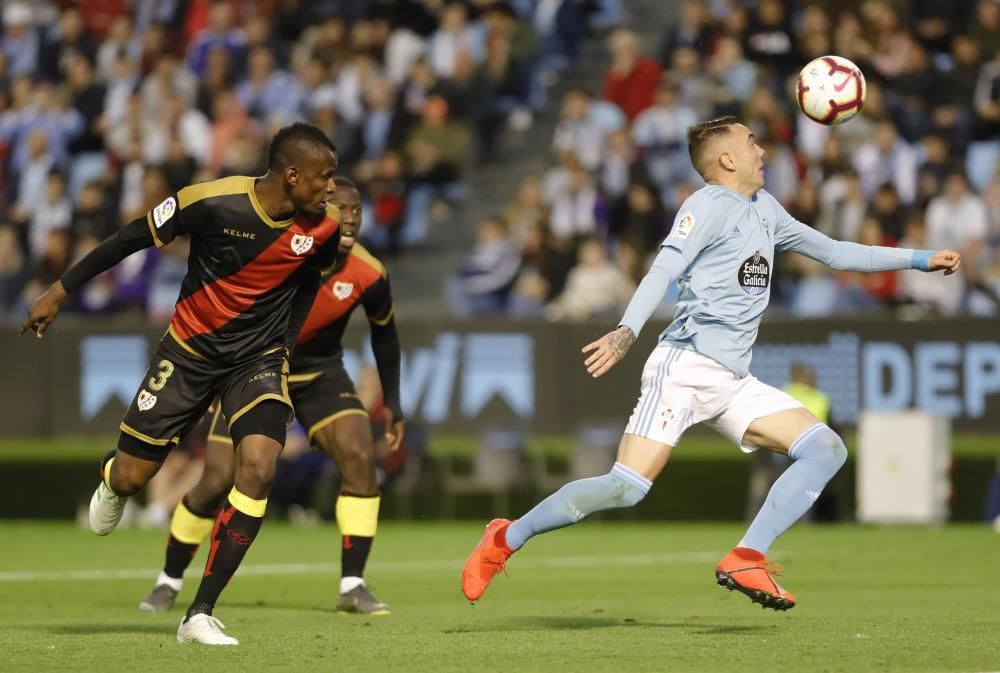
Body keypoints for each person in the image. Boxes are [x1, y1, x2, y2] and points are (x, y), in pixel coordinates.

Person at [461, 115, 962, 611]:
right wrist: (627, 329)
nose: (762, 151)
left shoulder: (765, 208)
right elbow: (664, 269)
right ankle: (506, 538)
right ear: (727, 159)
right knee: (625, 488)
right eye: (751, 142)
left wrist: (919, 259)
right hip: (684, 367)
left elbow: (834, 252)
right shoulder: (707, 204)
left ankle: (747, 556)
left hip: (731, 379)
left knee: (825, 449)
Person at [21, 122, 343, 645]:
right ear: (291, 175)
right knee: (131, 478)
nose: (333, 188)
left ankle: (200, 612)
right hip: (188, 355)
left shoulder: (323, 229)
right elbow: (128, 239)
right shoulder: (212, 202)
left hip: (256, 362)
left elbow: (309, 280)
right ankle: (111, 474)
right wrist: (59, 291)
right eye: (325, 177)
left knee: (259, 468)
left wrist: (284, 344)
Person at [137, 179, 404, 617]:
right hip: (253, 369)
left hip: (319, 373)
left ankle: (352, 584)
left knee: (359, 452)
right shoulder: (283, 248)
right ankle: (168, 580)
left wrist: (392, 400)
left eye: (358, 210)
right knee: (215, 481)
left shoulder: (369, 272)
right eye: (342, 208)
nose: (351, 217)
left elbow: (386, 335)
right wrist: (205, 374)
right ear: (322, 212)